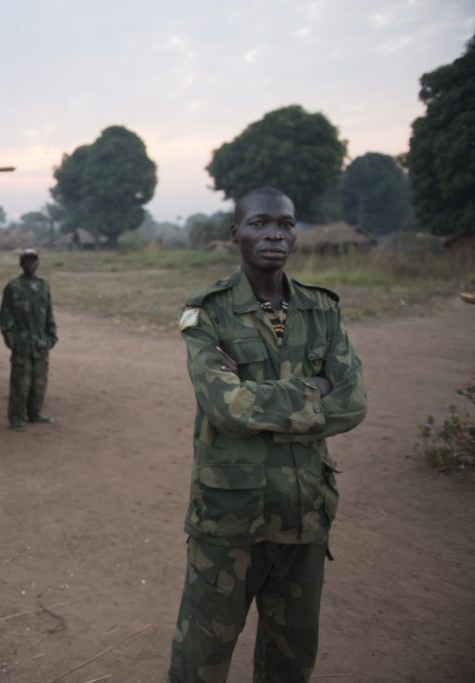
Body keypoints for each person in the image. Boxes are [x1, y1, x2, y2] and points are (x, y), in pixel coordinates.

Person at [168, 187, 367, 683]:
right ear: (236, 234)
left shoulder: (322, 311)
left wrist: (261, 393)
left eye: (286, 223)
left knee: (291, 659)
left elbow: (354, 402)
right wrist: (315, 388)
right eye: (260, 223)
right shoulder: (207, 312)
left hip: (305, 516)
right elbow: (226, 407)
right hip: (229, 519)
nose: (275, 234)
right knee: (202, 656)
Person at [0, 248, 58, 430]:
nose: (30, 264)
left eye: (33, 261)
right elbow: (5, 316)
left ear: (38, 263)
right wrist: (12, 340)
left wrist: (51, 337)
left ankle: (35, 413)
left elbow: (49, 314)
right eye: (26, 261)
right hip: (22, 343)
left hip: (40, 344)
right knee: (20, 383)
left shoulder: (44, 286)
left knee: (39, 382)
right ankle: (17, 418)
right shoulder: (13, 287)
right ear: (21, 264)